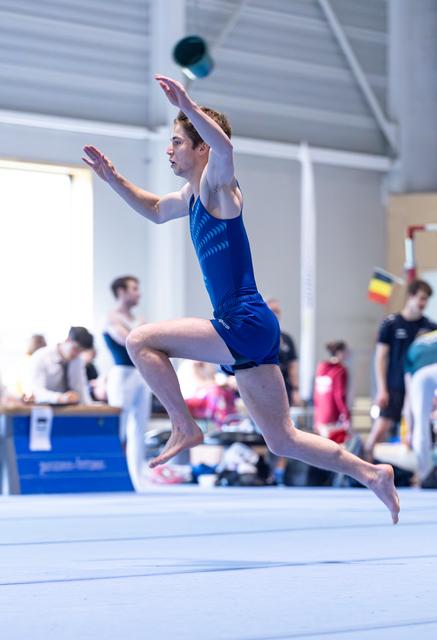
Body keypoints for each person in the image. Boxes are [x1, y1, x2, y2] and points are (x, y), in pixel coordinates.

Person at [83, 73, 399, 523]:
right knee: (283, 439)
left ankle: (184, 425)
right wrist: (111, 177)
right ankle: (371, 473)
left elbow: (226, 149)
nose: (169, 149)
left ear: (200, 148)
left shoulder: (218, 186)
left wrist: (190, 106)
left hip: (242, 320)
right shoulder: (191, 196)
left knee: (139, 340)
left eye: (177, 141)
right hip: (250, 326)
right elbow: (154, 210)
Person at [366, 279, 437, 460]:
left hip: (419, 387)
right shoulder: (390, 324)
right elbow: (380, 358)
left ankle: (419, 475)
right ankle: (362, 466)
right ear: (410, 296)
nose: (423, 304)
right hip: (394, 386)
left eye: (426, 300)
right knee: (380, 429)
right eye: (421, 298)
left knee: (417, 430)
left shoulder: (430, 327)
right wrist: (382, 389)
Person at [102, 275, 152, 489]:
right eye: (134, 288)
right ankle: (113, 474)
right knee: (120, 426)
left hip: (141, 373)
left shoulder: (137, 320)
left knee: (139, 427)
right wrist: (143, 329)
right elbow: (127, 340)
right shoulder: (111, 318)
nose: (138, 293)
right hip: (121, 374)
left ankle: (136, 478)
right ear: (121, 292)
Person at [404, 329, 437, 487]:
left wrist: (410, 431)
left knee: (421, 424)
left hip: (421, 374)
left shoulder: (414, 346)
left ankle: (425, 476)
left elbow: (409, 398)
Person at [27, 326, 93, 404]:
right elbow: (36, 391)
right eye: (76, 349)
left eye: (81, 352)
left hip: (68, 411)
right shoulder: (41, 357)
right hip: (44, 409)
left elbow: (80, 390)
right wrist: (60, 398)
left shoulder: (77, 360)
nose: (77, 354)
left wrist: (90, 406)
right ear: (68, 340)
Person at [313, 341, 350, 444]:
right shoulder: (340, 370)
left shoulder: (321, 367)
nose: (348, 354)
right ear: (340, 352)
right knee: (335, 450)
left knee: (322, 447)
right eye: (346, 352)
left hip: (320, 415)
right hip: (333, 416)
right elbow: (339, 395)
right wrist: (346, 414)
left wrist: (317, 416)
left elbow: (316, 393)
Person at [266, 298, 300, 406]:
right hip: (265, 385)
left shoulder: (286, 339)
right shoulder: (259, 339)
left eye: (277, 311)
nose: (275, 314)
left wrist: (295, 390)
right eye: (272, 311)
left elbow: (292, 366)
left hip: (284, 386)